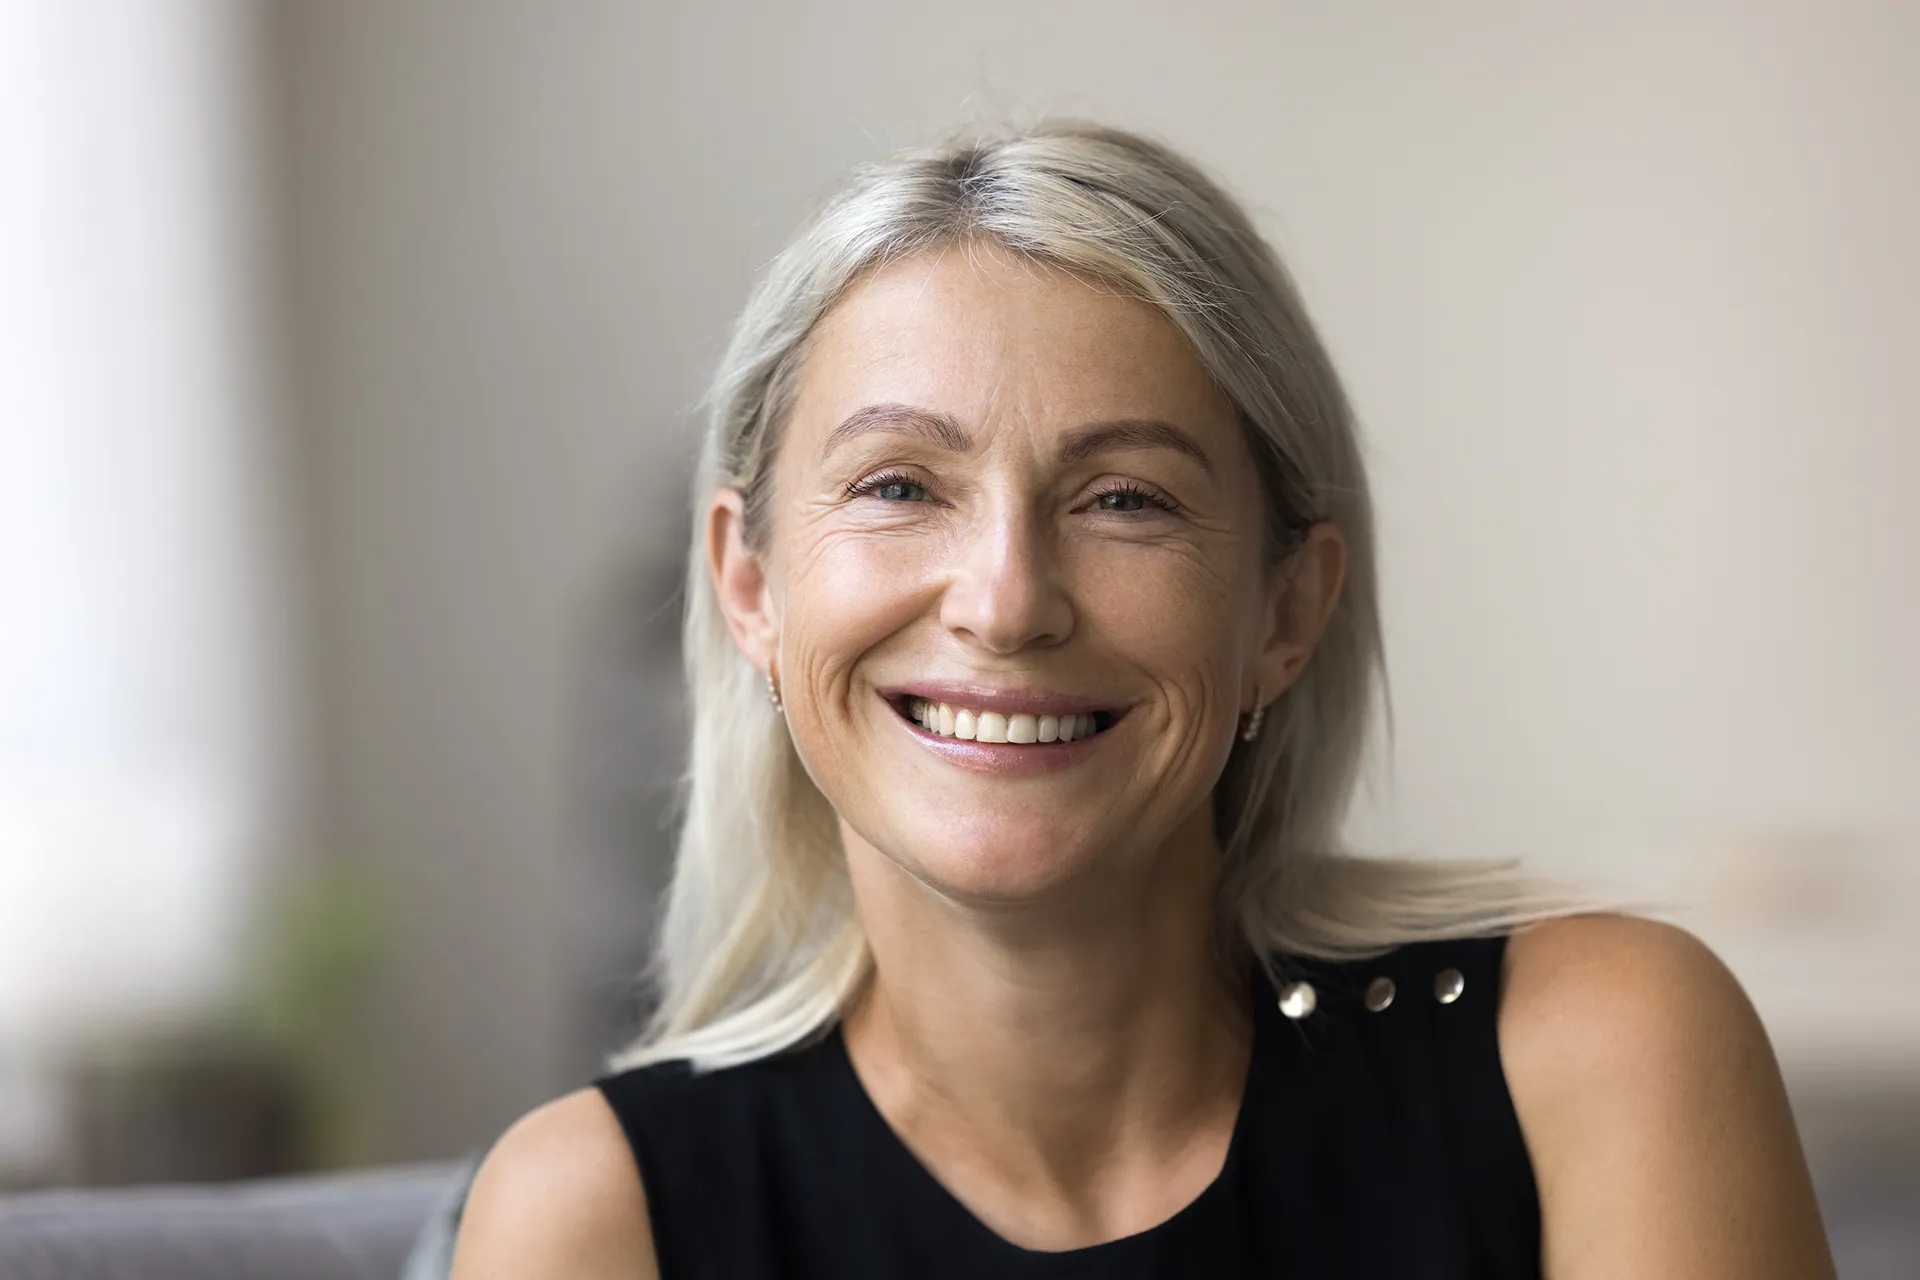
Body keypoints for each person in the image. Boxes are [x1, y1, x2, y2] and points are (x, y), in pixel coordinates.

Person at [448, 121, 1835, 1278]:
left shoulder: (1598, 1058)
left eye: (1125, 499)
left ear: (1289, 610)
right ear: (749, 584)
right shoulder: (594, 1217)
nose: (1004, 599)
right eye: (899, 487)